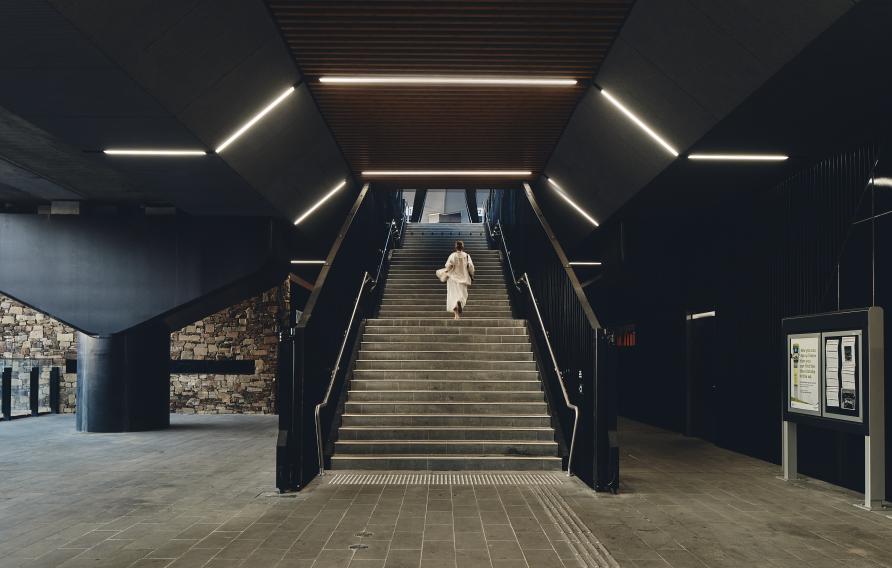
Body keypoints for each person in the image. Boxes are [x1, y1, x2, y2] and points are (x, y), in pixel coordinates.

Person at [436, 240, 475, 320]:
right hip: (463, 279)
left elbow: (448, 265)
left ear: (456, 247)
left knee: (453, 296)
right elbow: (471, 267)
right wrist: (471, 274)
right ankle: (459, 303)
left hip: (453, 279)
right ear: (463, 247)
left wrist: (446, 271)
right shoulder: (467, 256)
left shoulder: (453, 255)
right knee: (463, 295)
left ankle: (456, 315)